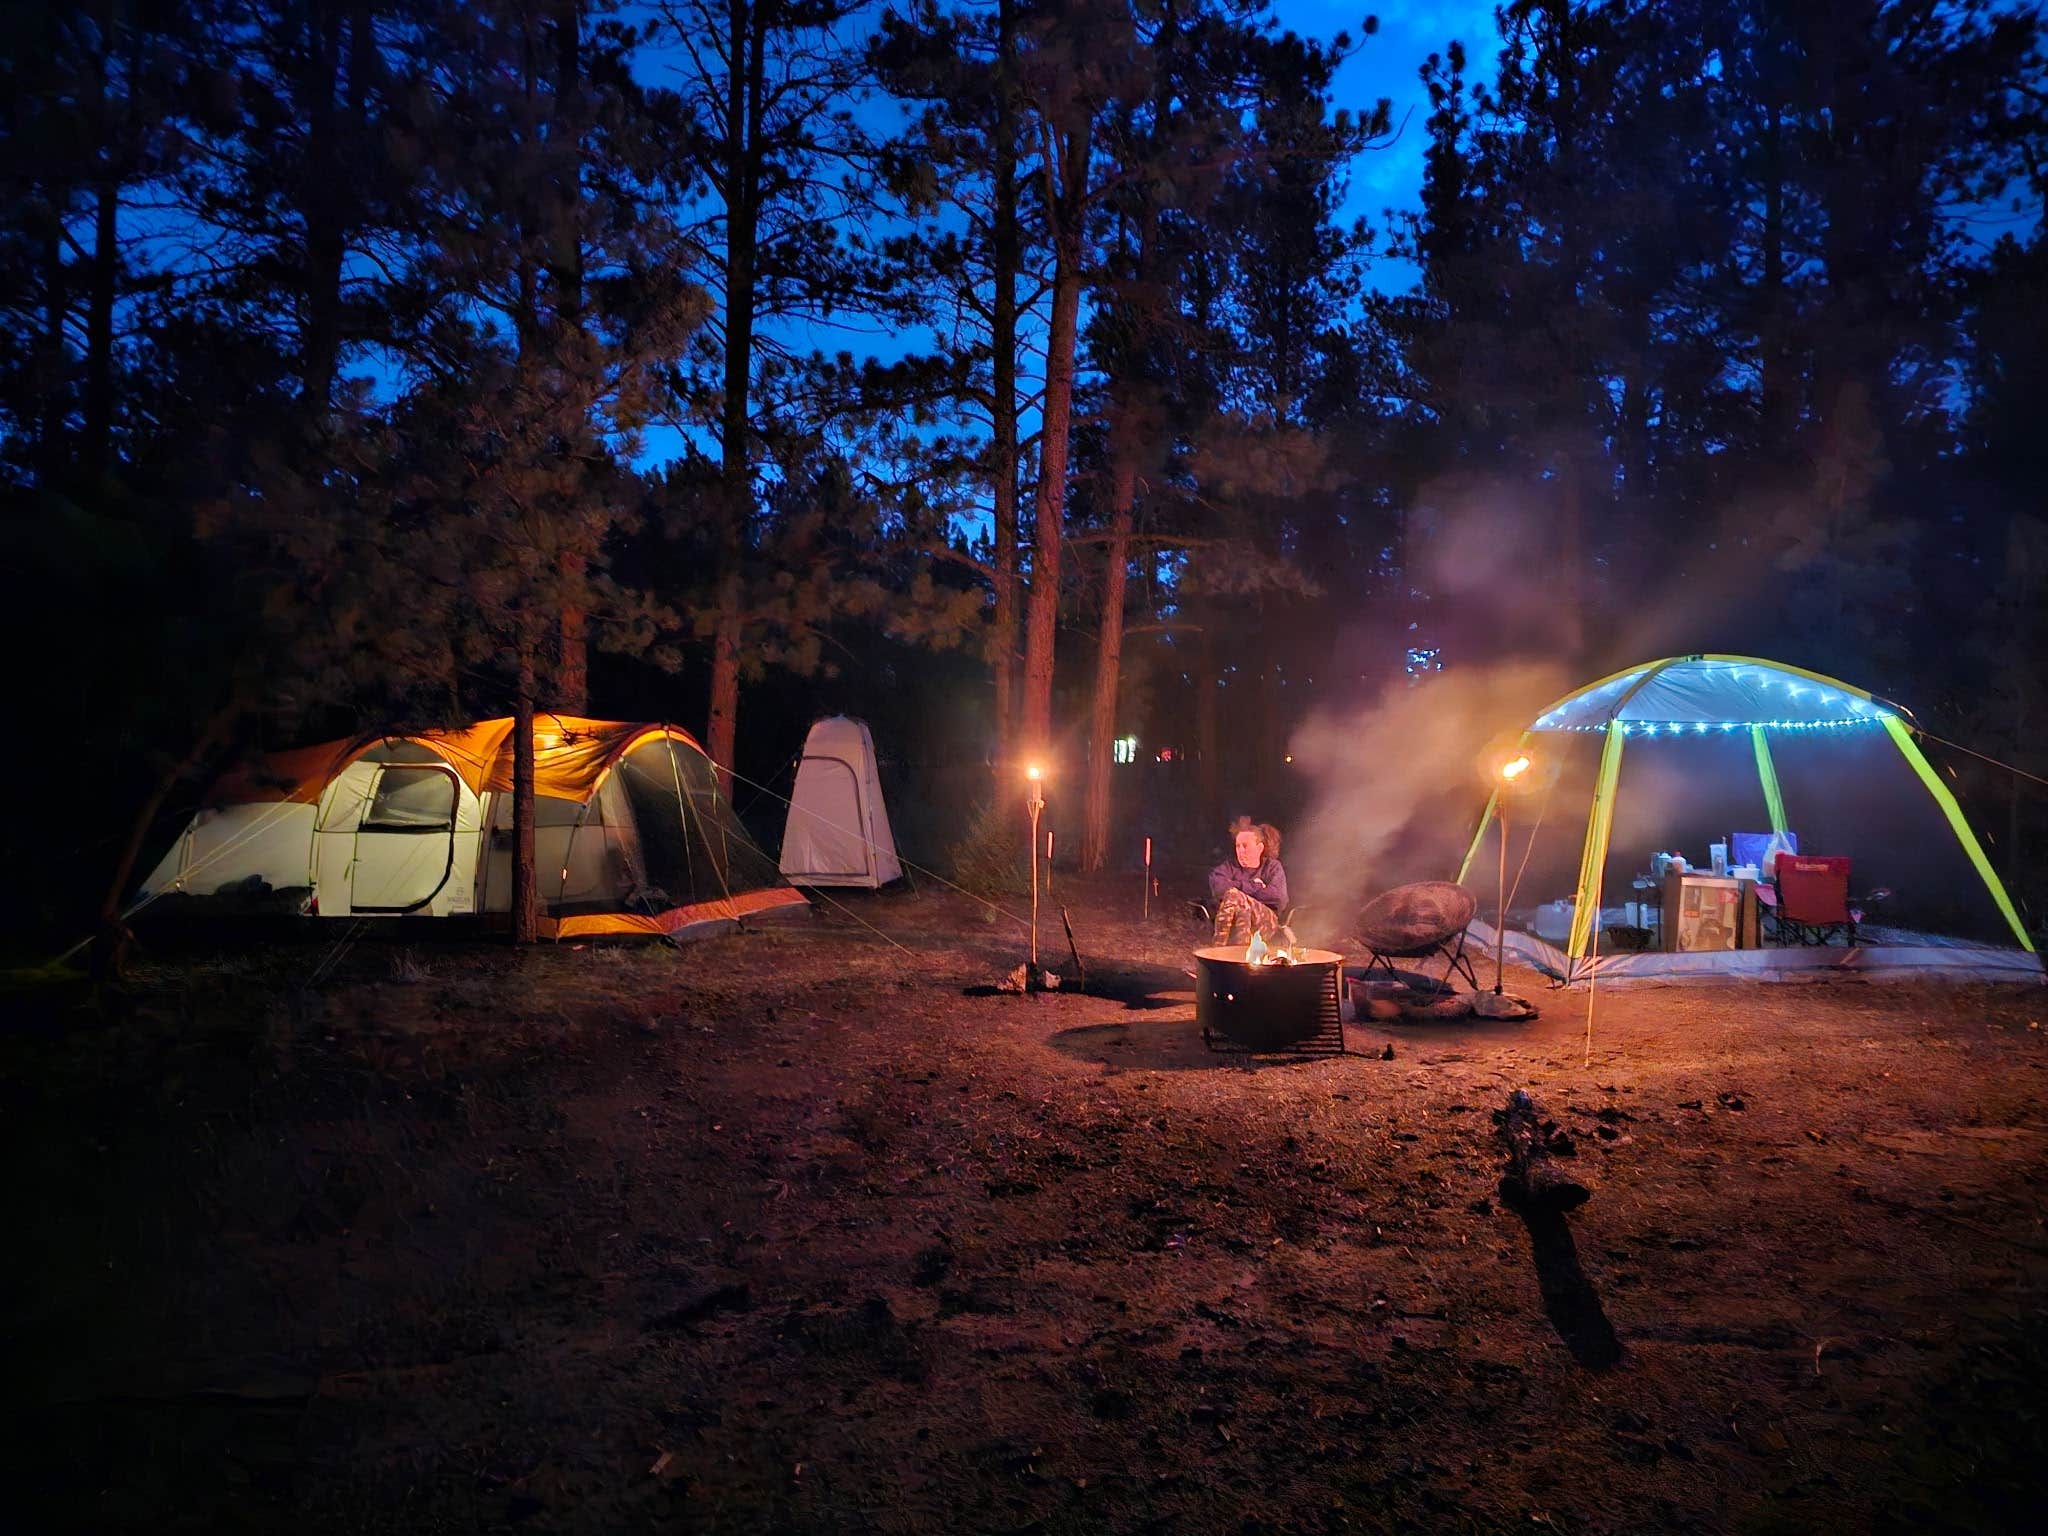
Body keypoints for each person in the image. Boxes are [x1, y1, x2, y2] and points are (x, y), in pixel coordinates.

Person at [1208, 816, 1289, 946]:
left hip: (1266, 923)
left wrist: (1241, 895)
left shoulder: (1272, 867)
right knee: (1238, 903)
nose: (1240, 851)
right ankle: (1236, 954)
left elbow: (1278, 897)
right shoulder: (1229, 867)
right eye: (1238, 846)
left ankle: (1218, 950)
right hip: (1233, 921)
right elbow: (1218, 888)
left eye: (1245, 846)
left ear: (1259, 848)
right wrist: (1254, 886)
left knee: (1234, 895)